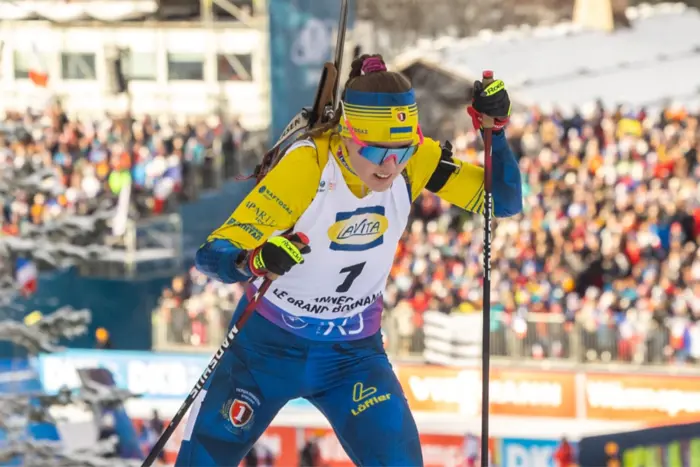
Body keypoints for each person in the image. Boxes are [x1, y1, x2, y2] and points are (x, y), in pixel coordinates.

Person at [175, 54, 522, 466]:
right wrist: (254, 260)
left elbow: (502, 200)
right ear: (348, 135)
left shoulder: (416, 162)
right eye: (376, 151)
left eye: (403, 148)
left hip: (352, 356)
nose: (391, 165)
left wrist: (494, 135)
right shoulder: (309, 165)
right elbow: (212, 254)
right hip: (267, 350)